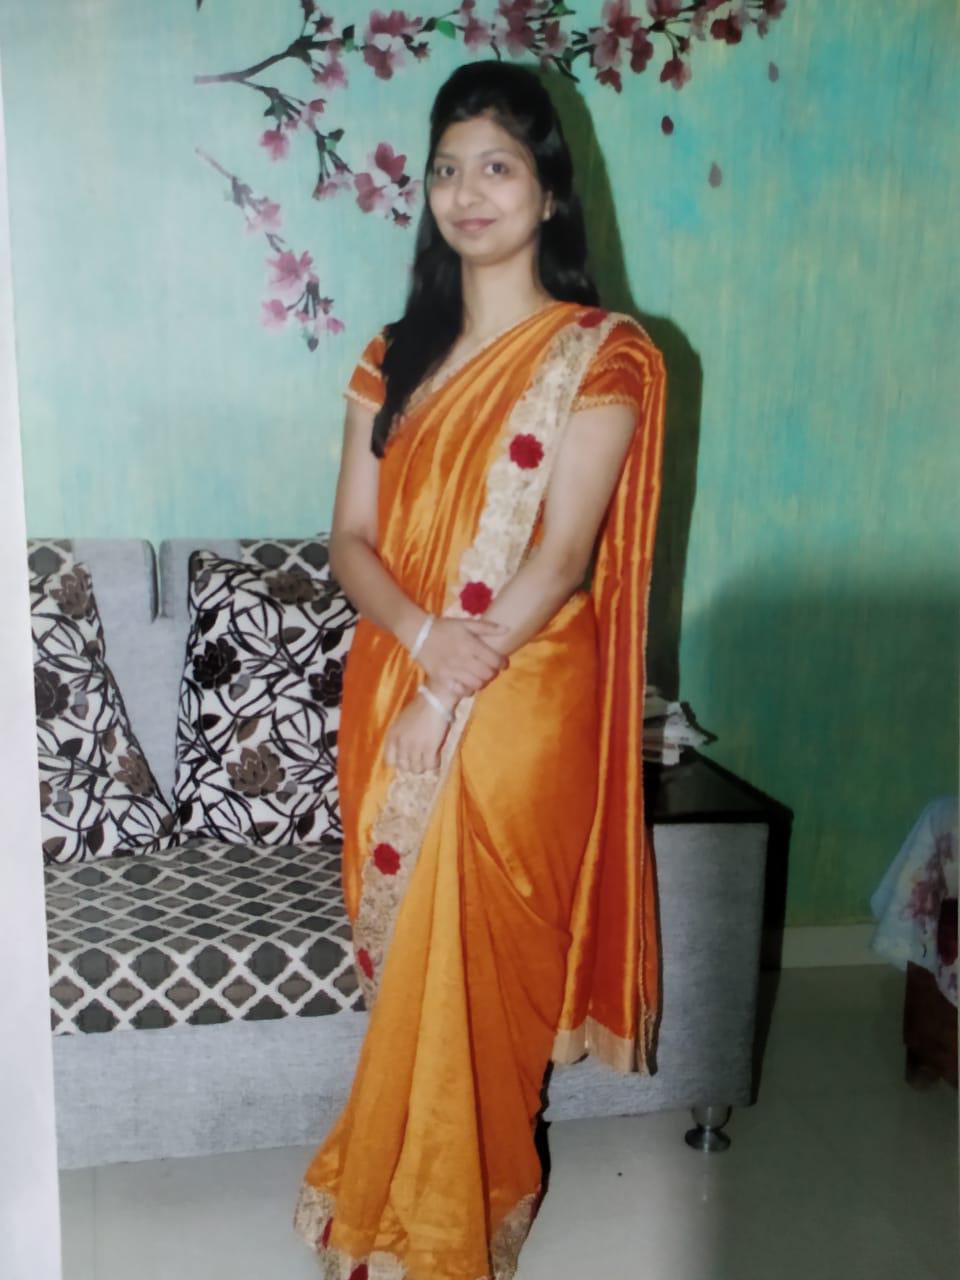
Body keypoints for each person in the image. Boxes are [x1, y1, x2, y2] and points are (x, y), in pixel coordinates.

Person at [294, 59, 666, 1280]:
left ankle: (460, 1215)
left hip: (521, 685)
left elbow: (560, 555)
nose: (467, 191)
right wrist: (420, 644)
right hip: (397, 664)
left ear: (548, 191)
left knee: (482, 943)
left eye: (497, 165)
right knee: (410, 946)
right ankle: (410, 1186)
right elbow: (349, 539)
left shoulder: (604, 353)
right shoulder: (390, 355)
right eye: (447, 168)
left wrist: (451, 688)